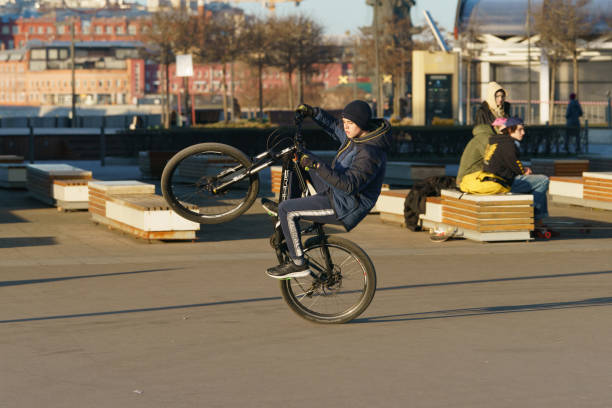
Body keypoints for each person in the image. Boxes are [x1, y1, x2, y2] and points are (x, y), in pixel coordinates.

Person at [263, 100, 392, 279]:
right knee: (299, 157)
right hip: (335, 191)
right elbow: (333, 125)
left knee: (287, 210)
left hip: (345, 206)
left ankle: (298, 263)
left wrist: (316, 165)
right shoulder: (355, 136)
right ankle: (286, 214)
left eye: (350, 123)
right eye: (345, 122)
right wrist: (312, 111)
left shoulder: (370, 153)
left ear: (361, 124)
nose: (346, 127)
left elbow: (349, 186)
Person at [459, 117, 549, 226]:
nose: (523, 133)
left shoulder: (496, 141)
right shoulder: (508, 144)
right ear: (510, 130)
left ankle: (535, 218)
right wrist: (524, 170)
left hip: (493, 179)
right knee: (543, 180)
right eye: (520, 130)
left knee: (536, 184)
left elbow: (509, 163)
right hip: (503, 182)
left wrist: (522, 170)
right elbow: (517, 167)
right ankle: (535, 217)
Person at [456, 117, 507, 187]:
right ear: (496, 127)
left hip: (472, 178)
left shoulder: (486, 137)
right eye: (506, 129)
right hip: (468, 181)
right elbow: (494, 161)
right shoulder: (485, 138)